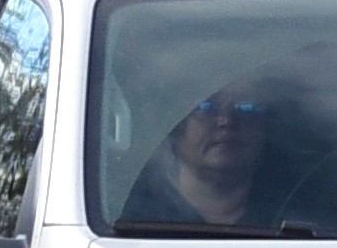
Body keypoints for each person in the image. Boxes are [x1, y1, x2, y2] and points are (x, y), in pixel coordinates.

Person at [122, 84, 285, 231]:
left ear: (265, 127)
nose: (226, 121)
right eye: (206, 107)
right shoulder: (131, 217)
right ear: (176, 126)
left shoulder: (293, 216)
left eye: (246, 107)